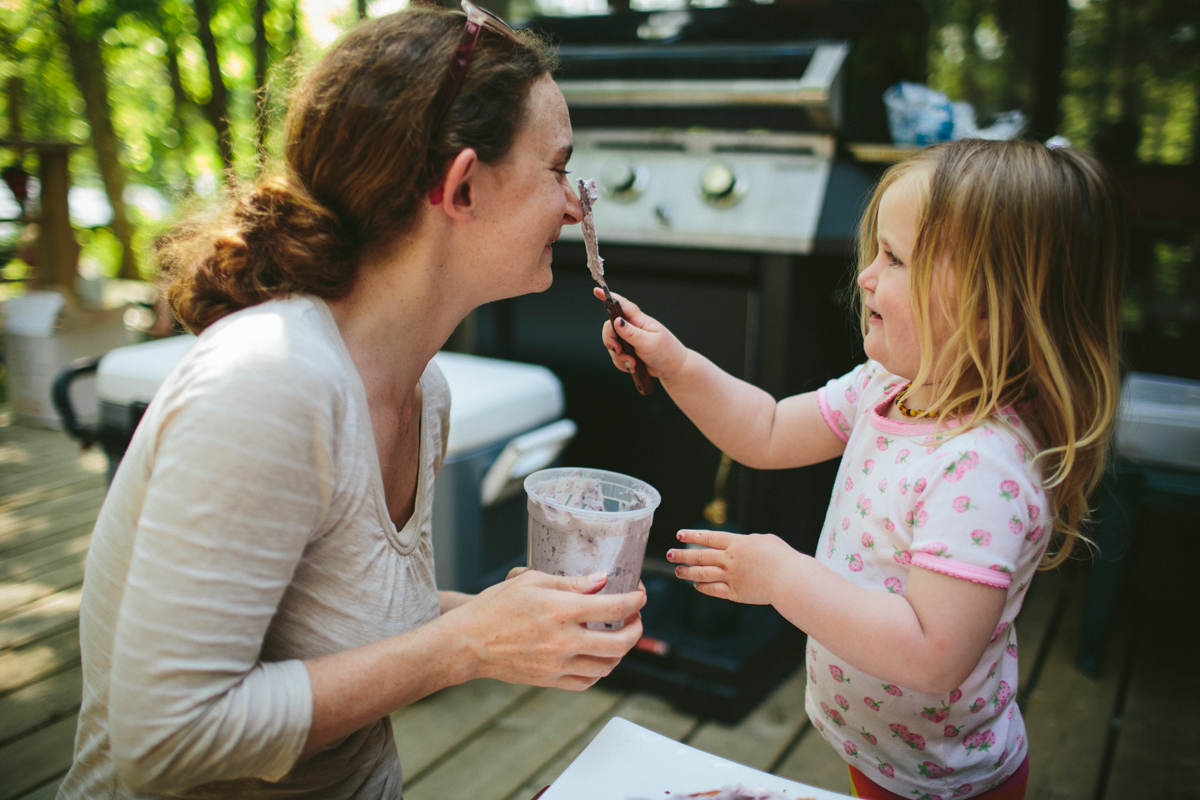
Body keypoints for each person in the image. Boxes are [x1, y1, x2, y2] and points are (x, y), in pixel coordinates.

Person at [59, 5, 646, 798]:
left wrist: (514, 622)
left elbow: (342, 622)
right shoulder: (267, 384)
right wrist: (464, 646)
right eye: (557, 170)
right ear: (462, 186)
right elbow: (162, 739)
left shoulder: (422, 392)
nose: (577, 206)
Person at [598, 138, 1125, 800]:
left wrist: (787, 578)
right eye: (876, 251)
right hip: (878, 753)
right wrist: (675, 362)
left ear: (991, 309)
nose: (866, 276)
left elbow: (933, 655)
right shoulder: (884, 387)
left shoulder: (982, 470)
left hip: (945, 783)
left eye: (896, 259)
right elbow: (763, 429)